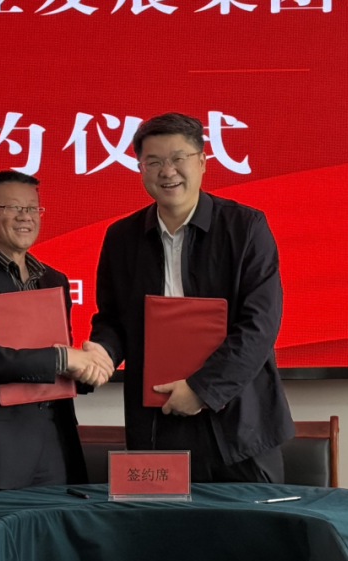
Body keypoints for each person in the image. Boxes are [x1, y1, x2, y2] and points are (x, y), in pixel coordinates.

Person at [88, 113, 294, 483]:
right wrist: (101, 353)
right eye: (154, 161)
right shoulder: (121, 238)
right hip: (157, 421)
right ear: (140, 168)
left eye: (178, 158)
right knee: (161, 520)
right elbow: (114, 319)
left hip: (239, 424)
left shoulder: (246, 227)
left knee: (253, 520)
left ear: (202, 162)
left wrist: (201, 389)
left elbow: (260, 325)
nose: (167, 171)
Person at [0, 170, 112, 493]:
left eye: (32, 208)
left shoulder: (54, 279)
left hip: (56, 443)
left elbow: (58, 363)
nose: (25, 217)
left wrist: (90, 369)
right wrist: (64, 357)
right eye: (13, 208)